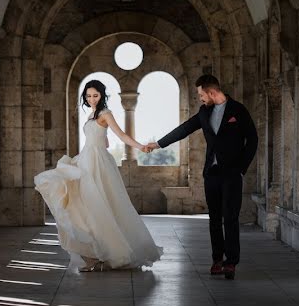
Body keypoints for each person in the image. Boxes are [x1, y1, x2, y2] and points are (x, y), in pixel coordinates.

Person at [34, 79, 162, 272]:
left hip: (98, 163)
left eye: (95, 95)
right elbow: (103, 139)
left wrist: (140, 146)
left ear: (102, 95)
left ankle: (105, 253)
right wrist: (102, 140)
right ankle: (94, 253)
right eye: (88, 96)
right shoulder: (92, 114)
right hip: (86, 158)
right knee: (84, 204)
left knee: (100, 204)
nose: (92, 99)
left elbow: (122, 135)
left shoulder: (105, 113)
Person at [144, 74, 257, 279]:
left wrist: (241, 168)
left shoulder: (238, 110)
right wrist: (158, 144)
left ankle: (231, 262)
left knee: (230, 219)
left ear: (212, 92)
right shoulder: (204, 112)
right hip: (211, 174)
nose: (200, 99)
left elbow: (253, 140)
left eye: (201, 95)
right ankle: (217, 259)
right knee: (214, 219)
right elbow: (185, 129)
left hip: (232, 174)